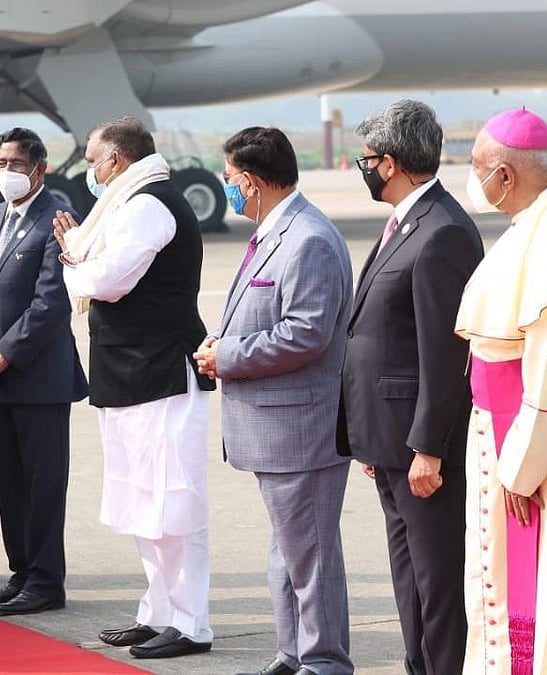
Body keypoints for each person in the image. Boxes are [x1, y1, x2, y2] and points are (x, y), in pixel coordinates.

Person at [193, 127, 354, 675]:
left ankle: (325, 662)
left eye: (231, 179)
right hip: (278, 429)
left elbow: (306, 333)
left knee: (309, 558)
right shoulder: (273, 231)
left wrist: (228, 356)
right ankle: (294, 654)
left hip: (300, 430)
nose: (227, 187)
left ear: (255, 181)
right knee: (287, 555)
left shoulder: (307, 239)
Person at [455, 108, 547, 674]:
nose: (473, 180)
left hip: (539, 449)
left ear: (505, 173)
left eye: (477, 167)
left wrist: (521, 468)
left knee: (539, 589)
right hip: (502, 431)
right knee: (495, 584)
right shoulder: (533, 220)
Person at [56, 117, 214, 659]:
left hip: (162, 371)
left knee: (175, 503)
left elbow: (108, 280)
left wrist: (73, 266)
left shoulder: (148, 204)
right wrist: (81, 258)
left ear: (116, 161)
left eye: (93, 161)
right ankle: (160, 612)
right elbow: (98, 268)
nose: (90, 173)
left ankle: (191, 624)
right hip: (130, 373)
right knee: (145, 504)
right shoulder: (126, 203)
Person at [336, 99, 482, 675]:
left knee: (437, 579)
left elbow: (444, 355)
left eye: (365, 160)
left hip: (422, 446)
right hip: (389, 439)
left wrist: (428, 447)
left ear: (390, 162)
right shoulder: (406, 222)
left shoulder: (443, 230)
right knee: (409, 577)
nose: (363, 170)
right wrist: (373, 438)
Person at [0, 127, 88, 616]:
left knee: (43, 483)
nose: (7, 172)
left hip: (38, 376)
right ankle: (21, 573)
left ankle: (46, 580)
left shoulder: (58, 219)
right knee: (10, 482)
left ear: (40, 168)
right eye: (1, 163)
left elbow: (50, 302)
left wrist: (5, 354)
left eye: (16, 163)